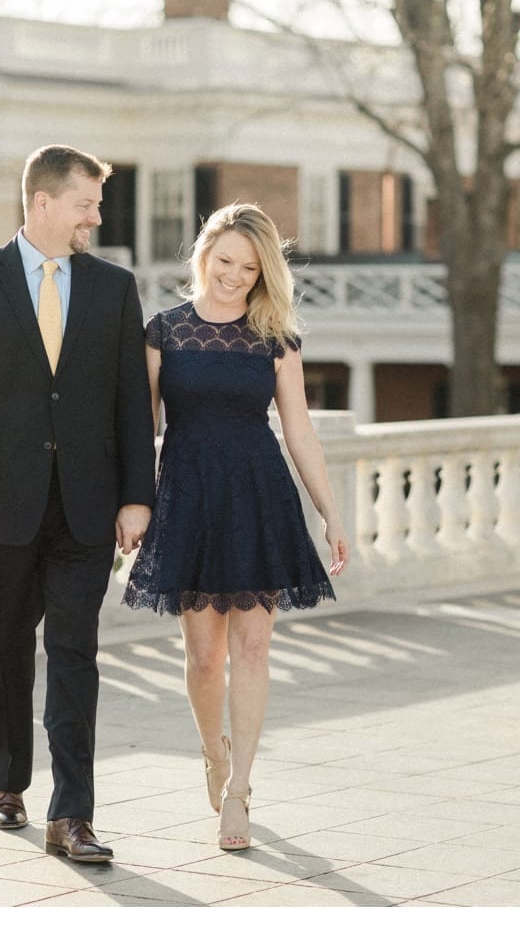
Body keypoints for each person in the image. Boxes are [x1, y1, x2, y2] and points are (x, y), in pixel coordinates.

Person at [0, 144, 156, 863]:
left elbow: (130, 404)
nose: (96, 217)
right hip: (4, 499)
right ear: (43, 203)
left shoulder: (115, 288)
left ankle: (71, 815)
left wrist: (138, 495)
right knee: (6, 648)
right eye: (87, 204)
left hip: (88, 504)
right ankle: (9, 780)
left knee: (75, 651)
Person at [122, 202, 349, 852]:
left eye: (249, 268)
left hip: (257, 496)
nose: (233, 276)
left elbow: (299, 431)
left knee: (252, 649)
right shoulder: (162, 332)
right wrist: (134, 504)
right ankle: (212, 752)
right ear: (203, 255)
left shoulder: (275, 337)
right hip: (189, 498)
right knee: (203, 659)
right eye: (224, 261)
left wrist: (331, 514)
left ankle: (240, 791)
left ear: (263, 272)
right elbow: (144, 431)